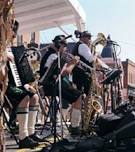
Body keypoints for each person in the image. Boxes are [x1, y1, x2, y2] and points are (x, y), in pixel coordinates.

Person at [5, 20, 43, 149]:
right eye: (12, 31)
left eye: (14, 32)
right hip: (4, 86)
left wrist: (24, 83)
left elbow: (17, 72)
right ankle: (23, 137)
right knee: (24, 97)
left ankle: (31, 133)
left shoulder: (11, 47)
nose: (14, 35)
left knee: (35, 96)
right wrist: (3, 56)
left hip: (14, 83)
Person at [39, 35, 82, 136]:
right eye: (64, 46)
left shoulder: (51, 54)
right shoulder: (53, 56)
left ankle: (69, 122)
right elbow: (64, 72)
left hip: (54, 83)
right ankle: (74, 126)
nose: (65, 49)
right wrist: (73, 63)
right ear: (59, 45)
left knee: (74, 94)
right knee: (78, 96)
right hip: (53, 85)